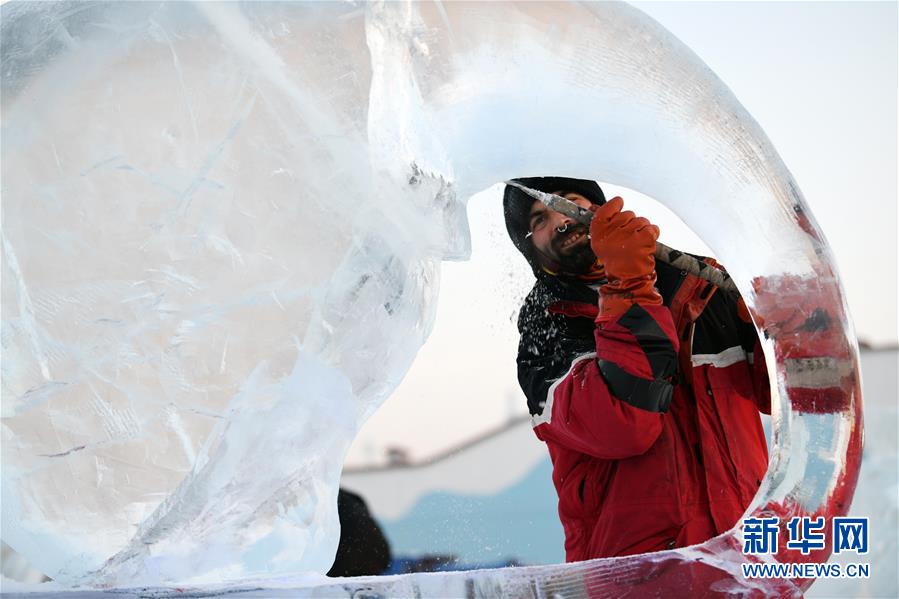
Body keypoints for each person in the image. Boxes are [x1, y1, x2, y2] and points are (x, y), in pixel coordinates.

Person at [503, 176, 770, 561]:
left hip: (745, 561)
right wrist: (629, 283)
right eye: (538, 221)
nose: (559, 221)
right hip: (638, 577)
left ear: (601, 206)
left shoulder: (703, 285)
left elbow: (784, 395)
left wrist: (779, 328)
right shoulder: (545, 332)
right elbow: (626, 425)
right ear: (532, 252)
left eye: (567, 201)